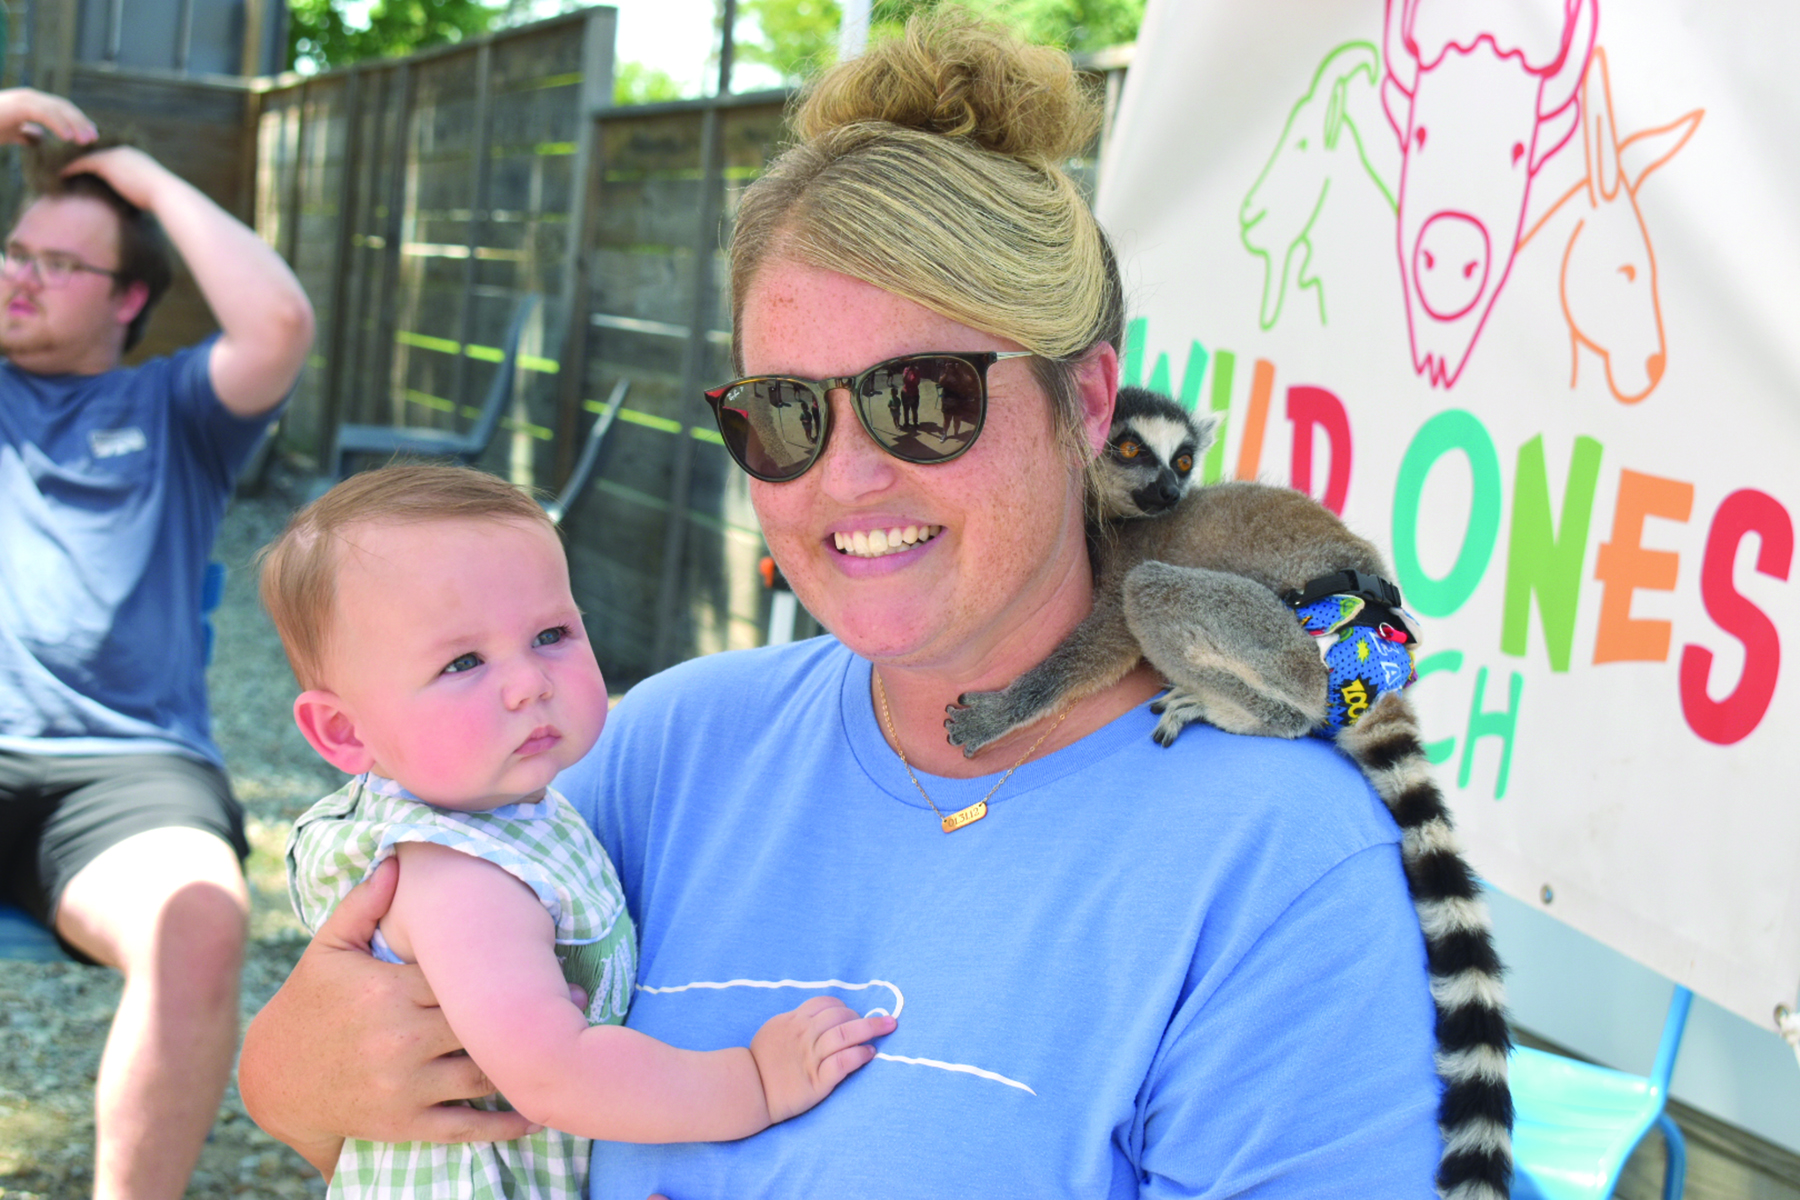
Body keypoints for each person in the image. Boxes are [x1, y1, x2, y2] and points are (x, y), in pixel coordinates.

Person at [241, 15, 1443, 1197]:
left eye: (925, 400)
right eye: (786, 412)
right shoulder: (667, 749)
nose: (847, 477)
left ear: (1085, 402)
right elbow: (298, 1092)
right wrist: (309, 1061)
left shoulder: (1279, 863)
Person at [259, 463, 894, 1198]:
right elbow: (553, 1073)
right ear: (343, 731)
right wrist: (753, 1080)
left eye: (551, 633)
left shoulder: (506, 813)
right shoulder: (457, 876)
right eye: (462, 661)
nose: (529, 680)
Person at [0, 88, 313, 1199]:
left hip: (120, 776)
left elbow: (277, 322)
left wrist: (136, 177)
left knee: (200, 919)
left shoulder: (178, 410)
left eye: (57, 263)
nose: (18, 275)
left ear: (129, 296)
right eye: (14, 251)